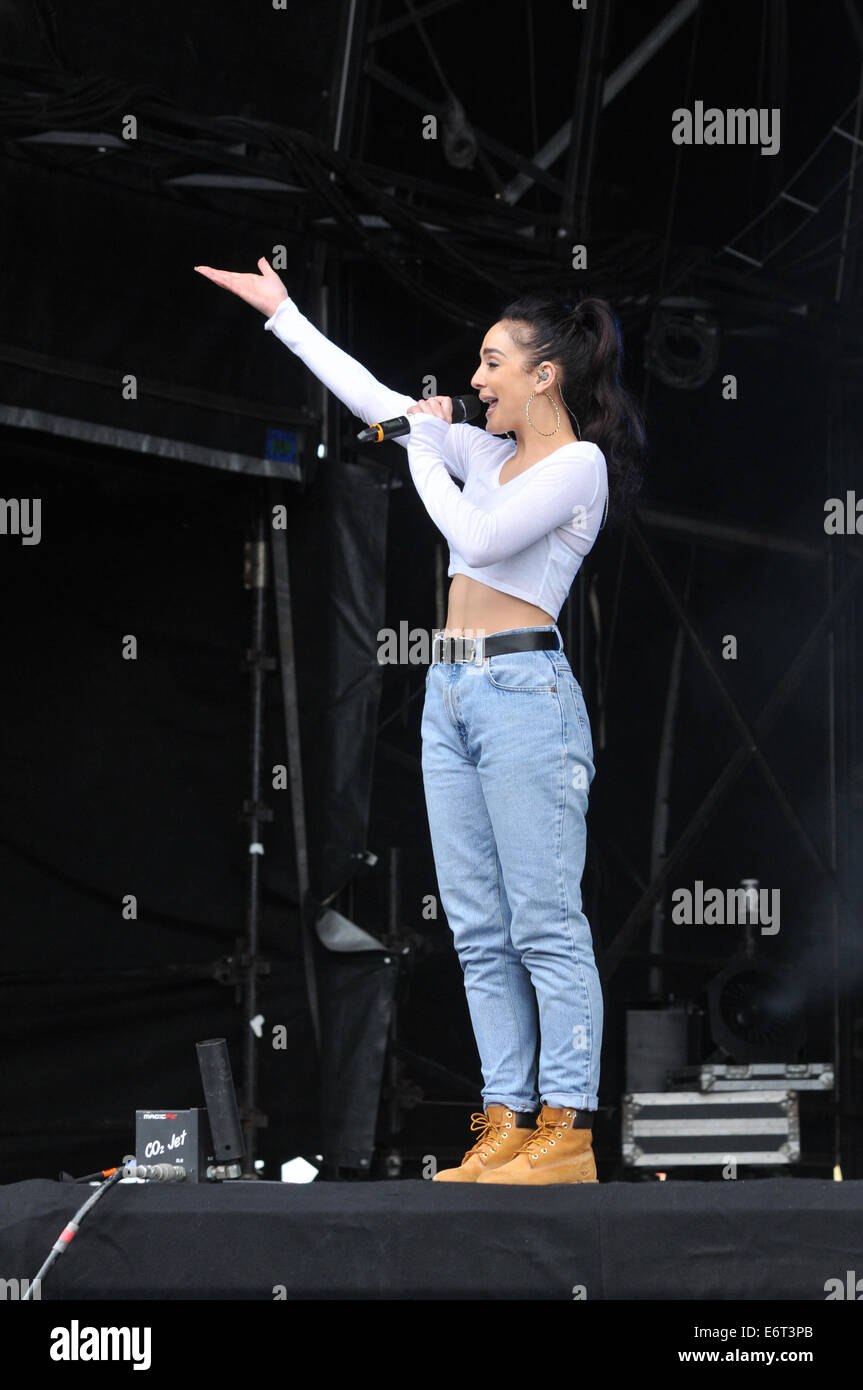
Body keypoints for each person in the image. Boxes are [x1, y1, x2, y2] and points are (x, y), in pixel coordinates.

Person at [193, 256, 645, 1184]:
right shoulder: (483, 454)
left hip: (525, 696)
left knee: (544, 925)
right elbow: (372, 394)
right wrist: (283, 312)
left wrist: (416, 448)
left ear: (543, 374)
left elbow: (475, 538)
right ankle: (505, 1123)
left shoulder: (577, 466)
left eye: (490, 364)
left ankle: (566, 1130)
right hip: (451, 694)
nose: (473, 382)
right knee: (479, 931)